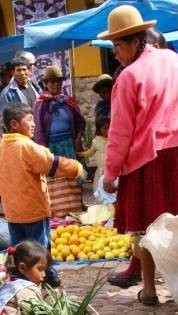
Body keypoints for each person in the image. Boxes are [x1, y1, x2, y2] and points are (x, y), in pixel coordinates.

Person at [98, 5, 178, 302]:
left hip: (147, 161)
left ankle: (151, 288)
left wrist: (110, 173)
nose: (115, 52)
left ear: (134, 41)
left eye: (117, 45)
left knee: (147, 228)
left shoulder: (128, 78)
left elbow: (120, 132)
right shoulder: (175, 60)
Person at [0, 103, 85, 287]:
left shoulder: (2, 146)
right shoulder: (26, 146)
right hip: (33, 211)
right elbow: (51, 163)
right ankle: (47, 275)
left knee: (19, 248)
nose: (33, 124)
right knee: (40, 248)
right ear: (14, 124)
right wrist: (76, 168)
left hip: (13, 213)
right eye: (29, 120)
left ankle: (21, 279)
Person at [33, 65, 86, 217]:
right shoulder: (40, 104)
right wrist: (43, 149)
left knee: (73, 173)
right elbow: (38, 128)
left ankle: (76, 204)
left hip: (68, 144)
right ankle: (58, 208)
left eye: (58, 82)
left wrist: (78, 137)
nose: (56, 84)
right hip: (51, 146)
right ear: (46, 84)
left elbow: (80, 121)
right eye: (52, 82)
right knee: (55, 177)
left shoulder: (68, 101)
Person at [0, 241, 47, 315]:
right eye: (40, 269)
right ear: (22, 268)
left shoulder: (9, 281)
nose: (44, 275)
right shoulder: (27, 289)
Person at [78, 115, 109, 195]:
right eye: (104, 128)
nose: (107, 130)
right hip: (101, 170)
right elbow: (90, 152)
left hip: (111, 169)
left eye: (109, 127)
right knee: (101, 189)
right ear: (99, 129)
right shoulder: (96, 141)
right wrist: (81, 154)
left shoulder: (113, 139)